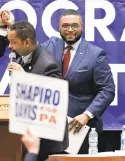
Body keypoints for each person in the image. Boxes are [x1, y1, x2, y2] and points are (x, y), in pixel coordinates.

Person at [41, 9, 115, 153]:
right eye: (65, 26)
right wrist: (8, 26)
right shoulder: (50, 45)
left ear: (82, 26)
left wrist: (87, 115)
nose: (70, 30)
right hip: (52, 129)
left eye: (75, 26)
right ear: (59, 27)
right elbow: (28, 47)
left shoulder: (95, 54)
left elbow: (107, 90)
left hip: (81, 130)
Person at [7, 20, 69, 161]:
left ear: (27, 42)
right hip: (33, 136)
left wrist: (24, 78)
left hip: (48, 141)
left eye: (13, 42)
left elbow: (53, 103)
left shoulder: (49, 64)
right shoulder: (24, 57)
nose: (10, 46)